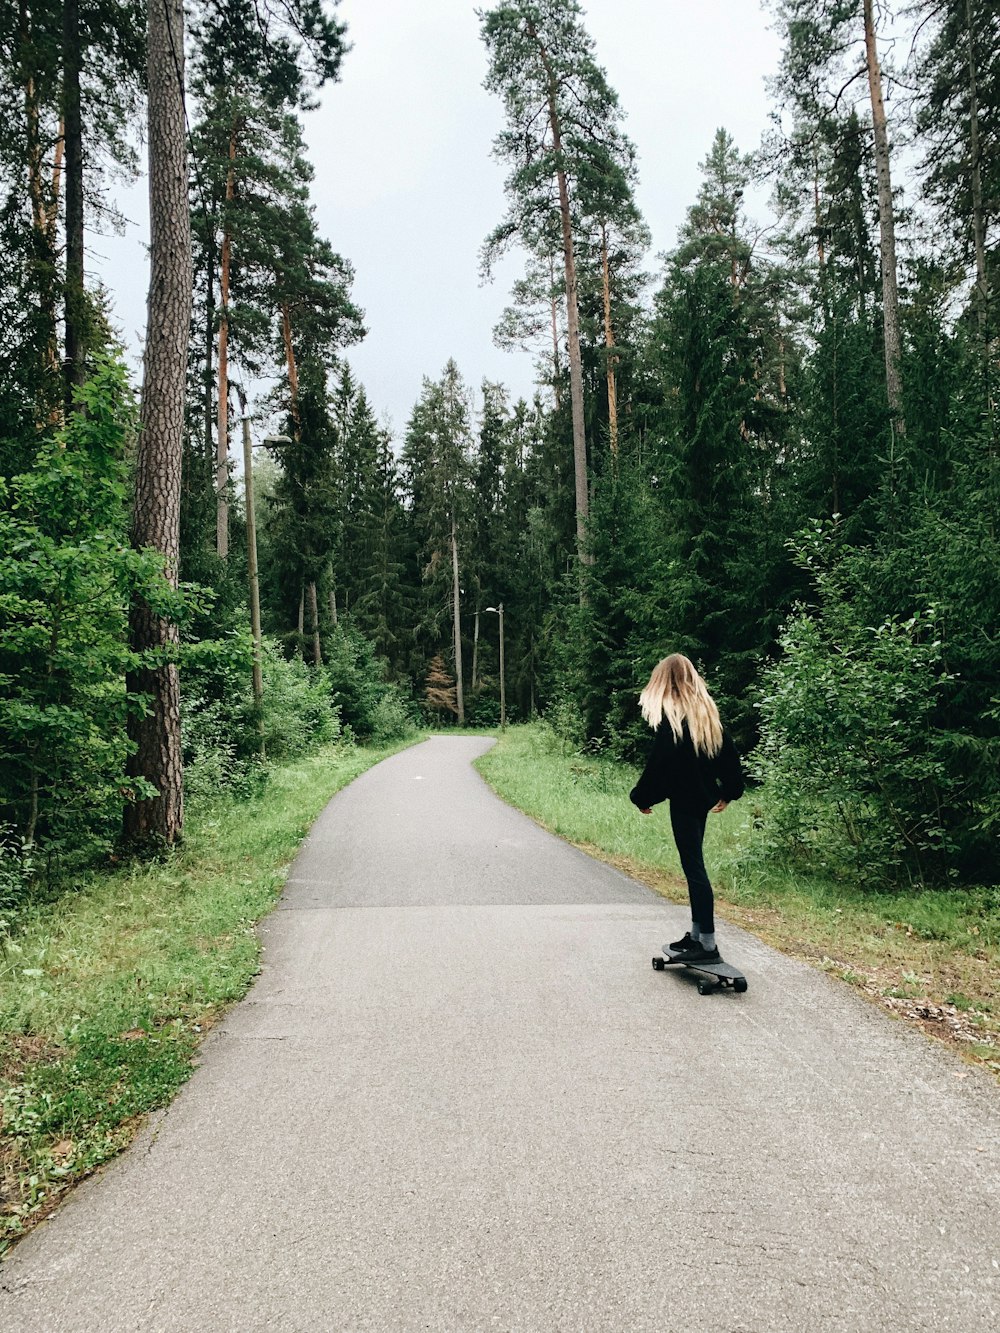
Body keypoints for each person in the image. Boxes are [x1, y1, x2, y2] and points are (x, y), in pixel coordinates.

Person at [629, 653, 745, 963]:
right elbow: (729, 756)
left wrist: (641, 797)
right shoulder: (704, 714)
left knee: (694, 868)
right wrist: (729, 792)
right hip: (701, 801)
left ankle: (706, 943)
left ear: (664, 681)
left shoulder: (674, 721)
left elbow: (660, 767)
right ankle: (696, 934)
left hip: (684, 802)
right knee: (694, 865)